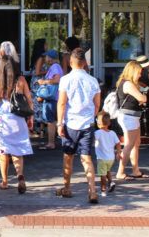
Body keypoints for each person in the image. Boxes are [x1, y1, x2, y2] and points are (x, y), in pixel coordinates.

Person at [56, 48, 101, 204]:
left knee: (68, 157)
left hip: (70, 123)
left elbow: (62, 103)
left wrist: (59, 123)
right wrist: (91, 116)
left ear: (70, 62)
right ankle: (93, 190)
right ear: (85, 63)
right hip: (87, 123)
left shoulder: (65, 80)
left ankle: (67, 187)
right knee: (87, 158)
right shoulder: (93, 80)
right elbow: (97, 105)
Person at [0, 41, 33, 194]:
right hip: (18, 117)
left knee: (3, 152)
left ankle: (5, 181)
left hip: (4, 116)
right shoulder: (20, 80)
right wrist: (30, 118)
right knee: (18, 151)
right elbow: (29, 98)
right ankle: (20, 176)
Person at [114, 61, 149, 180]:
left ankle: (136, 170)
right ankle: (120, 172)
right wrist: (143, 97)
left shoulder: (125, 82)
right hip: (129, 117)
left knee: (136, 143)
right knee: (129, 145)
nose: (140, 75)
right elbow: (142, 98)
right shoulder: (128, 84)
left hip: (132, 116)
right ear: (133, 72)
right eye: (139, 73)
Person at [36, 49, 63, 150]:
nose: (45, 58)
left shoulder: (55, 67)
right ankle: (56, 141)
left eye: (47, 56)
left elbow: (57, 79)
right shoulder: (56, 67)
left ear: (51, 58)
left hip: (52, 98)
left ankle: (51, 143)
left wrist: (43, 82)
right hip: (55, 97)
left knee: (51, 121)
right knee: (55, 120)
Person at [94, 111, 121, 197]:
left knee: (102, 175)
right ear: (109, 123)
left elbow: (92, 140)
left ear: (97, 122)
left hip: (102, 158)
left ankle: (103, 190)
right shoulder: (112, 133)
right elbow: (118, 143)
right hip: (111, 158)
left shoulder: (97, 133)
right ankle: (111, 182)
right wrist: (118, 153)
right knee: (107, 170)